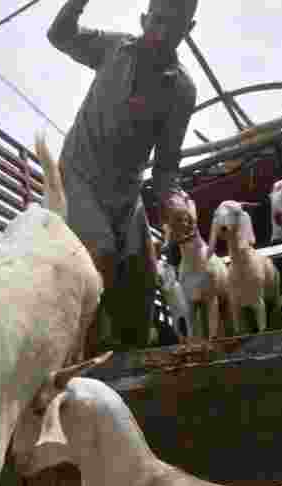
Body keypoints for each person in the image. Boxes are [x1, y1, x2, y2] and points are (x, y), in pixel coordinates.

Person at [48, 0, 198, 352]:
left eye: (173, 27)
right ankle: (73, 364)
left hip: (126, 196)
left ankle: (131, 372)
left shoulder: (182, 91)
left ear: (187, 30)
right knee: (98, 254)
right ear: (144, 18)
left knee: (144, 281)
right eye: (156, 22)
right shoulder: (114, 48)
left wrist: (175, 204)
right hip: (78, 178)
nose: (160, 34)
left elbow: (165, 170)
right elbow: (60, 35)